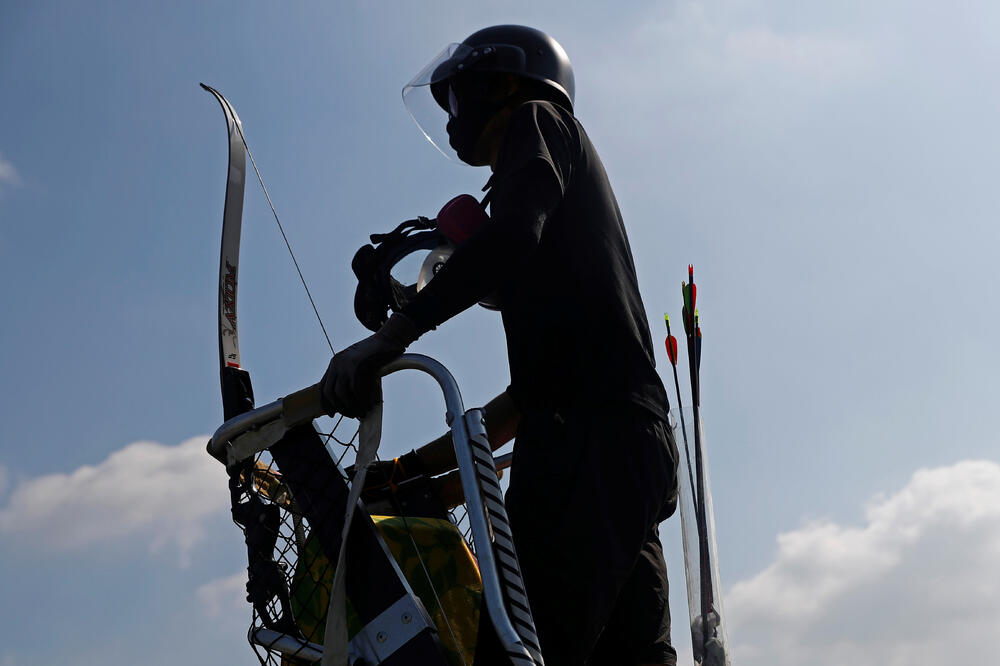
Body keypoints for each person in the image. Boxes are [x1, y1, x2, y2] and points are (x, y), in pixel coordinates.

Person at [321, 25, 679, 666]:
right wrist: (408, 472)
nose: (451, 120)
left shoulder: (537, 120)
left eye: (458, 98)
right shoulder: (564, 254)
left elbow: (512, 235)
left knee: (516, 655)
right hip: (627, 447)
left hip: (585, 448)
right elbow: (523, 402)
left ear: (504, 81)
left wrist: (389, 339)